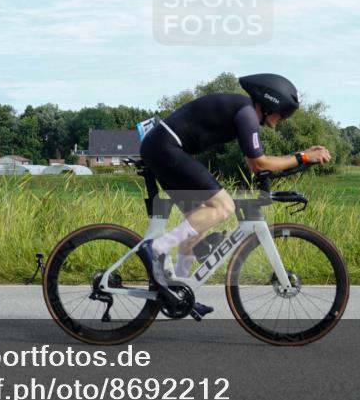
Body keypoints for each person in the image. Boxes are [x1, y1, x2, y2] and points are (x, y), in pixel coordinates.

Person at [137, 73, 332, 318]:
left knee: (199, 222)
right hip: (166, 147)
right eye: (283, 114)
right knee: (224, 206)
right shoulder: (247, 114)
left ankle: (178, 291)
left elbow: (256, 162)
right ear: (273, 103)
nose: (281, 120)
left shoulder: (244, 111)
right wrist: (303, 156)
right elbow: (259, 164)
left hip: (164, 147)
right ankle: (155, 248)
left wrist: (299, 157)